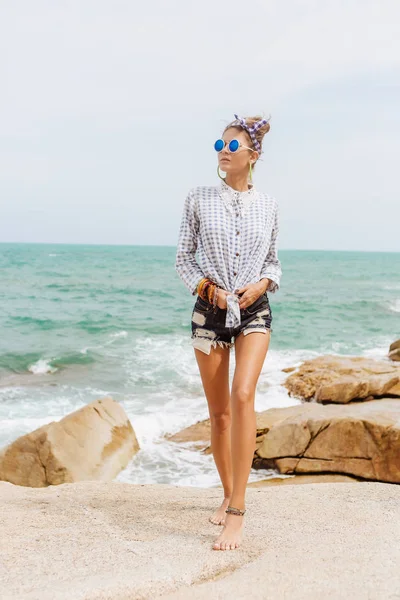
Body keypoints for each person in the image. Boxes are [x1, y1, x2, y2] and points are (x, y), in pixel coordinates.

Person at [174, 114, 282, 551]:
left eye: (233, 146)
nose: (223, 150)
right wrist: (209, 290)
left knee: (242, 396)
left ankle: (237, 511)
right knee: (219, 415)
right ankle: (225, 493)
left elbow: (273, 260)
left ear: (253, 156)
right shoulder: (198, 198)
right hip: (209, 312)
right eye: (220, 144)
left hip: (254, 309)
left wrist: (262, 283)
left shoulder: (270, 204)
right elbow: (184, 258)